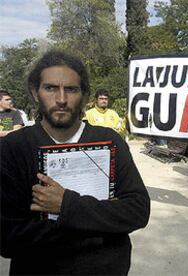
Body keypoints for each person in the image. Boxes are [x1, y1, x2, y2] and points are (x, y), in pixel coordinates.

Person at [0, 50, 150, 275]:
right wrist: (103, 220)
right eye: (50, 88)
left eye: (71, 89)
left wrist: (66, 205)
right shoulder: (13, 148)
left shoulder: (110, 140)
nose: (61, 99)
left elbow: (137, 211)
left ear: (85, 95)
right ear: (35, 92)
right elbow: (7, 238)